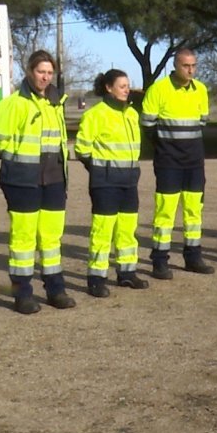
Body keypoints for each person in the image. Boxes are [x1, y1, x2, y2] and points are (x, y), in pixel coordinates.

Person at [0, 50, 75, 314]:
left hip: (54, 180)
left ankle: (55, 289)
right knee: (23, 240)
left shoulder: (56, 102)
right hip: (22, 180)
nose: (45, 77)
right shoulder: (13, 103)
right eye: (41, 72)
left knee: (51, 238)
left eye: (50, 73)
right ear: (29, 71)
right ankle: (22, 294)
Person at [75, 69, 149, 296]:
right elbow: (82, 149)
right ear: (109, 87)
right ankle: (96, 278)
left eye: (128, 86)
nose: (127, 90)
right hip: (105, 183)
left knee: (127, 230)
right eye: (122, 86)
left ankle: (127, 273)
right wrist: (100, 170)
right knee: (102, 232)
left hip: (129, 182)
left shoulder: (132, 114)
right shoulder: (96, 114)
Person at [140, 49, 213, 278]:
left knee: (194, 212)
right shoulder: (158, 89)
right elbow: (147, 125)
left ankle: (193, 257)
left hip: (194, 162)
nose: (190, 70)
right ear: (175, 65)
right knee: (165, 213)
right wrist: (166, 146)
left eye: (193, 65)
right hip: (168, 162)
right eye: (185, 66)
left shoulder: (200, 90)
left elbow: (202, 122)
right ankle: (160, 261)